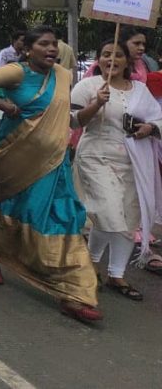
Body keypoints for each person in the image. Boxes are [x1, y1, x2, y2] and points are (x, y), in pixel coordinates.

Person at [0, 26, 102, 323]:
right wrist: (5, 106)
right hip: (17, 158)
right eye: (44, 44)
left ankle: (73, 290)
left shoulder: (64, 76)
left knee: (63, 217)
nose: (52, 49)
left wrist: (97, 104)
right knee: (18, 211)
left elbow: (72, 121)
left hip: (56, 162)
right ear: (28, 49)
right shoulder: (16, 72)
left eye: (54, 44)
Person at [72, 40, 162, 300]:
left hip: (134, 161)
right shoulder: (88, 86)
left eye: (118, 55)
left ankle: (115, 274)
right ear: (98, 59)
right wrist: (96, 104)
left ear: (128, 60)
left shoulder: (141, 90)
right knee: (109, 213)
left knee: (128, 217)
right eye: (106, 54)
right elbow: (72, 119)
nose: (112, 59)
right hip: (95, 157)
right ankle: (90, 262)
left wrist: (149, 128)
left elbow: (157, 118)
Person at [84, 26, 151, 83]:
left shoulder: (145, 64)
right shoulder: (105, 64)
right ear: (123, 43)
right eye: (136, 43)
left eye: (143, 44)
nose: (142, 48)